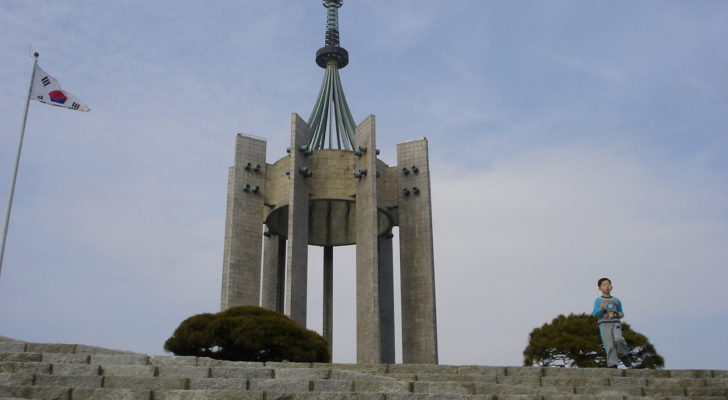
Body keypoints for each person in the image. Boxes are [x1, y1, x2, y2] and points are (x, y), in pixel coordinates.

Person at [592, 277, 632, 368]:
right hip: (603, 323)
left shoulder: (616, 300)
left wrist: (620, 314)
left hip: (615, 322)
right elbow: (595, 313)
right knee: (609, 344)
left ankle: (624, 355)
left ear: (611, 287)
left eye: (608, 284)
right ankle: (612, 364)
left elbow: (621, 313)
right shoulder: (598, 300)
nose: (607, 286)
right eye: (604, 285)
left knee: (619, 339)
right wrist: (601, 308)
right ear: (600, 288)